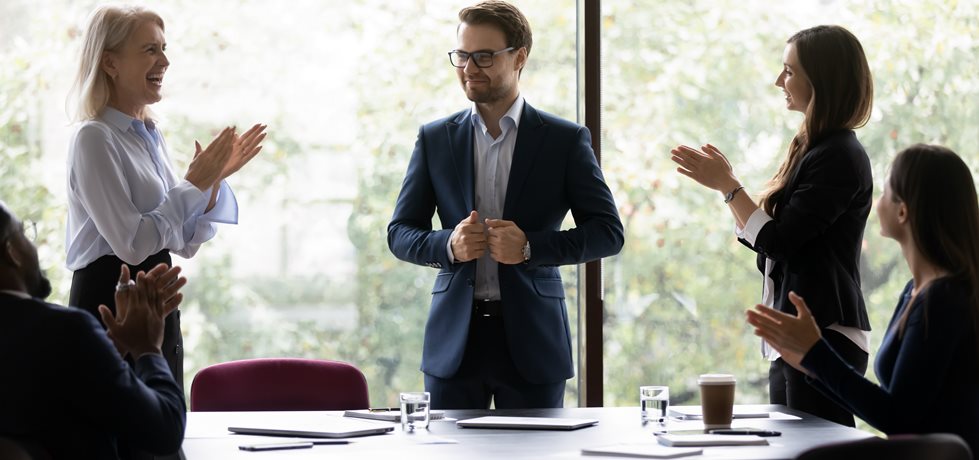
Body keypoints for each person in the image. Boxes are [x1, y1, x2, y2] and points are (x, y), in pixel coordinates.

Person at [388, 0, 624, 409]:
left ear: (519, 58)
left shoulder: (564, 141)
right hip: (453, 346)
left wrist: (531, 247)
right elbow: (400, 233)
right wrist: (448, 245)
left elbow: (608, 232)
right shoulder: (434, 139)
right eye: (461, 56)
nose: (469, 68)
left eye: (483, 56)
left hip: (534, 342)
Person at [669, 25, 874, 426]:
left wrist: (728, 186)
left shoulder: (838, 155)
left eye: (789, 71)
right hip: (798, 337)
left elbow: (779, 240)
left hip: (824, 336)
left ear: (822, 79)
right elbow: (770, 238)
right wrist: (727, 190)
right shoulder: (814, 148)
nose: (779, 81)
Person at [65, 5, 266, 393]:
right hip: (109, 306)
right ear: (110, 62)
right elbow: (133, 244)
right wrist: (193, 183)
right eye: (150, 50)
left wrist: (211, 182)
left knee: (162, 437)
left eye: (164, 48)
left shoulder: (151, 134)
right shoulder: (94, 138)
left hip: (159, 307)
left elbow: (185, 241)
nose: (165, 61)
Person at [746, 144, 979, 453]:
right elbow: (894, 408)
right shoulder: (917, 290)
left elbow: (898, 417)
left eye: (884, 192)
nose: (875, 202)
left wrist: (815, 354)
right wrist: (810, 360)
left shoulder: (943, 300)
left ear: (902, 211)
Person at [0, 201, 187, 459]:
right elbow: (165, 431)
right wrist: (147, 348)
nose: (33, 244)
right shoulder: (67, 331)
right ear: (12, 252)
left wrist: (107, 351)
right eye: (24, 233)